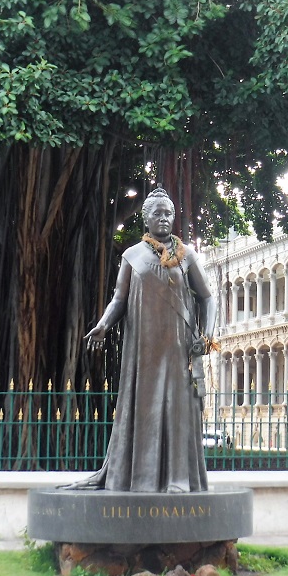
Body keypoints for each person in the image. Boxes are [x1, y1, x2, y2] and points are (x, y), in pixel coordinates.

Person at [66, 187, 216, 493]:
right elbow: (119, 299)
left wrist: (208, 334)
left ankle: (178, 480)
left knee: (177, 410)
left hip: (178, 348)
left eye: (168, 213)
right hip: (143, 349)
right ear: (146, 219)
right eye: (157, 213)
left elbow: (208, 298)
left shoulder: (187, 256)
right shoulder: (132, 256)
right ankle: (139, 479)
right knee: (144, 410)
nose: (164, 218)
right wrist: (103, 325)